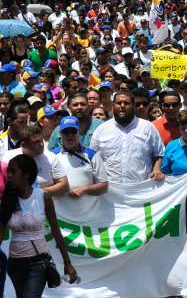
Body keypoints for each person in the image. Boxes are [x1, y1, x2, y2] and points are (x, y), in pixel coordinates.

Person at [0, 155, 79, 298]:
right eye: (8, 172)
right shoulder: (6, 200)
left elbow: (56, 231)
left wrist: (68, 263)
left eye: (13, 172)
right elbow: (0, 232)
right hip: (14, 264)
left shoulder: (43, 197)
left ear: (26, 174)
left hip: (37, 263)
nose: (9, 176)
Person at [90, 90, 166, 183]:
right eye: (119, 103)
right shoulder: (101, 129)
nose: (122, 106)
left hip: (141, 188)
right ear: (113, 106)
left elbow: (159, 153)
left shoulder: (147, 127)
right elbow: (93, 158)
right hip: (110, 191)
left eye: (126, 103)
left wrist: (156, 169)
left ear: (134, 105)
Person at [2, 125, 69, 197]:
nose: (42, 144)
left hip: (44, 205)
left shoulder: (50, 157)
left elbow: (64, 186)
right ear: (24, 145)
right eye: (36, 142)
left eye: (42, 140)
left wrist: (36, 193)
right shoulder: (9, 157)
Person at [51, 116, 109, 198]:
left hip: (89, 210)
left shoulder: (92, 155)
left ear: (79, 132)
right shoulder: (52, 156)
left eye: (73, 131)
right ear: (60, 133)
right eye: (66, 132)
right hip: (59, 210)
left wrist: (85, 189)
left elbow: (104, 187)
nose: (70, 135)